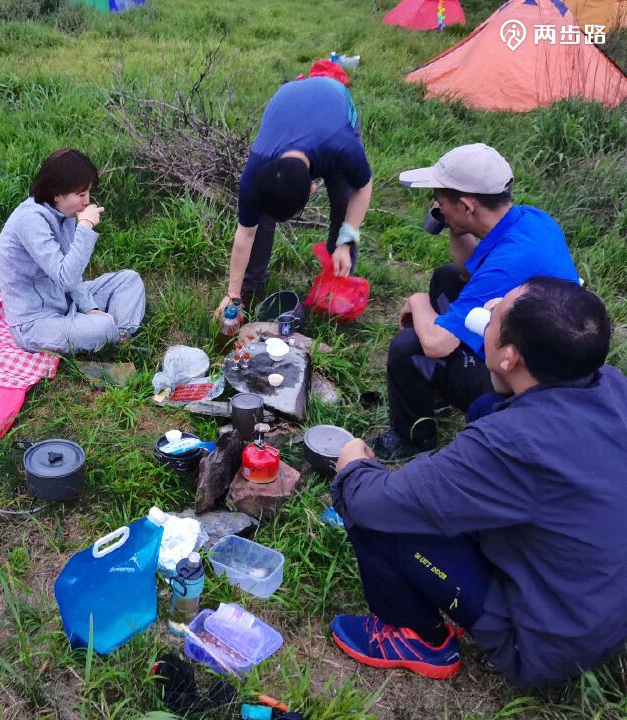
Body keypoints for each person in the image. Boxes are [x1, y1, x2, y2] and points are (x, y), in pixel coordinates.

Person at [329, 277, 627, 688]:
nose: (486, 312)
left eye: (495, 315)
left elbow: (373, 502)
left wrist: (353, 465)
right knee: (488, 405)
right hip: (602, 606)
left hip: (545, 642)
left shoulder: (510, 444)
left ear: (509, 357)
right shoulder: (611, 383)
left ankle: (419, 639)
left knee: (371, 511)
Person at [372, 143, 579, 461]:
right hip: (543, 350)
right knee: (446, 278)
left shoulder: (508, 265)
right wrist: (454, 227)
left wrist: (417, 301)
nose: (437, 207)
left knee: (408, 347)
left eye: (441, 201)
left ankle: (412, 439)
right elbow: (468, 274)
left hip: (533, 394)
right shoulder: (531, 221)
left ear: (467, 205)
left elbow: (437, 344)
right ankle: (443, 390)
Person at [213, 74, 373, 318]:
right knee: (266, 209)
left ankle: (336, 291)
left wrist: (346, 242)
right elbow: (245, 233)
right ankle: (249, 289)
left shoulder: (344, 147)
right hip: (290, 104)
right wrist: (231, 294)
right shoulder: (256, 171)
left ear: (312, 189)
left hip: (333, 101)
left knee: (343, 198)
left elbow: (363, 188)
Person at [0, 148, 145, 354]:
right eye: (81, 194)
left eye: (88, 192)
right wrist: (85, 227)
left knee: (129, 280)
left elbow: (73, 277)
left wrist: (89, 306)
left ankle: (117, 335)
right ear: (57, 194)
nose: (87, 201)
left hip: (64, 302)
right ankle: (109, 332)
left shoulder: (63, 213)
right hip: (36, 322)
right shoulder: (30, 220)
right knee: (102, 326)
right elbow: (65, 277)